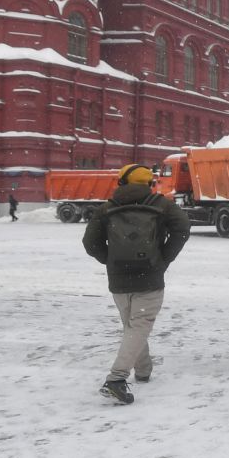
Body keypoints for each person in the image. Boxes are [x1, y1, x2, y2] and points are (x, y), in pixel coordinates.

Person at [81, 163, 190, 404]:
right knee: (138, 326)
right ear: (149, 184)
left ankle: (143, 370)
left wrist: (109, 259)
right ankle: (116, 379)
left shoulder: (107, 208)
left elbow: (89, 243)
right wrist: (164, 257)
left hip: (118, 280)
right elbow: (183, 227)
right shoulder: (162, 205)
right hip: (150, 276)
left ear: (121, 182)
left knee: (134, 326)